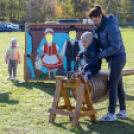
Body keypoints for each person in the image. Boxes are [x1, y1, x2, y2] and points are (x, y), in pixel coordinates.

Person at [87, 5, 127, 121]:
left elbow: (115, 46)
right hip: (112, 58)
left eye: (95, 20)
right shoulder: (99, 27)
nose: (94, 23)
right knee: (118, 84)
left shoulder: (111, 26)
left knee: (112, 84)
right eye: (92, 21)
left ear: (100, 16)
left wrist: (100, 55)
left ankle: (111, 114)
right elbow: (100, 43)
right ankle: (122, 111)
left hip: (117, 58)